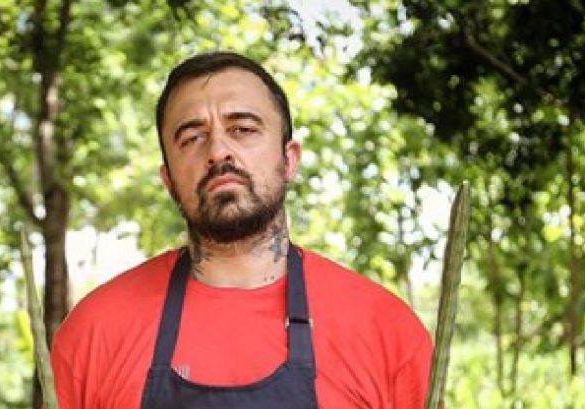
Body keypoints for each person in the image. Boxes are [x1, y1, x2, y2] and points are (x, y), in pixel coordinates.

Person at [50, 51, 434, 409]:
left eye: (243, 129)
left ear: (289, 160)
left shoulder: (385, 331)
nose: (218, 151)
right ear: (169, 181)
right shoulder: (94, 335)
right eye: (192, 137)